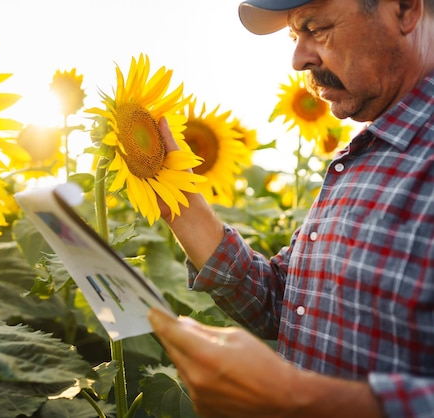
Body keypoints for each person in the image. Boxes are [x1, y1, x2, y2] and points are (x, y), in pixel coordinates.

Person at [147, 0, 434, 416]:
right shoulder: (363, 157)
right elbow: (289, 302)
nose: (298, 58)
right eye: (294, 36)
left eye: (316, 27)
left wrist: (297, 398)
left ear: (405, 9)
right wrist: (182, 207)